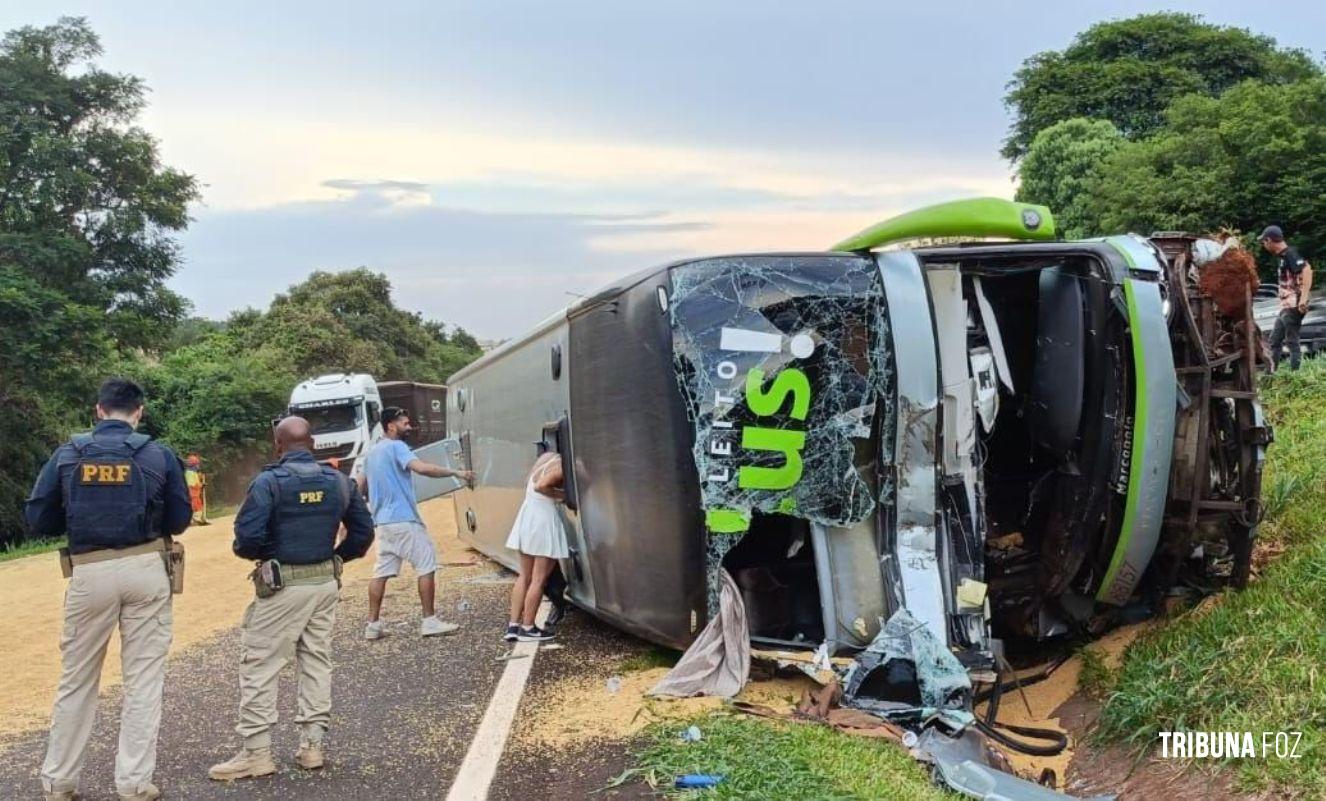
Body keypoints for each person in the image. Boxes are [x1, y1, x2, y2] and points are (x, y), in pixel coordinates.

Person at [25, 378, 192, 801]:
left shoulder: (68, 454)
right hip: (146, 568)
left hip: (88, 571)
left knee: (76, 679)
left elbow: (40, 519)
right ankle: (134, 783)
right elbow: (178, 519)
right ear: (139, 413)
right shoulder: (158, 453)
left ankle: (59, 782)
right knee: (143, 680)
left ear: (98, 411)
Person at [208, 416, 375, 781]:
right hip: (325, 584)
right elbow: (363, 532)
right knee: (316, 660)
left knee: (260, 666)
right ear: (312, 444)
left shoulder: (269, 483)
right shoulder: (338, 482)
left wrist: (269, 555)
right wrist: (337, 557)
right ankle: (312, 746)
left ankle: (257, 753)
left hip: (283, 586)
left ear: (278, 445)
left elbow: (247, 538)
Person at [358, 406, 474, 639]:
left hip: (383, 524)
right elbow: (422, 469)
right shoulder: (397, 447)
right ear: (391, 425)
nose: (408, 426)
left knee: (380, 573)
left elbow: (359, 486)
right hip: (405, 520)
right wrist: (458, 473)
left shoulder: (371, 454)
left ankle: (372, 624)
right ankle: (429, 621)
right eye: (404, 422)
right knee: (426, 566)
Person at [504, 443, 569, 643]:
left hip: (527, 515)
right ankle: (529, 627)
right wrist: (563, 495)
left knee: (524, 575)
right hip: (543, 519)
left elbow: (531, 482)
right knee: (539, 579)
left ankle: (513, 626)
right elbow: (542, 486)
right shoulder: (561, 466)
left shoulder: (546, 457)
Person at [1261, 225, 1314, 371]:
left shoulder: (1290, 254)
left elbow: (1307, 270)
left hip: (1293, 304)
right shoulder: (1283, 256)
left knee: (1291, 341)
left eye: (1264, 242)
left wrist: (1303, 299)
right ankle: (1270, 374)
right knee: (1274, 341)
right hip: (1286, 306)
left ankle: (1295, 374)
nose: (1264, 246)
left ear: (1269, 240)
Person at [184, 454, 208, 524]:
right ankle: (194, 519)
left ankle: (195, 519)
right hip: (192, 494)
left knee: (197, 506)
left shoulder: (193, 473)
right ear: (193, 465)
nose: (198, 466)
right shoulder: (190, 473)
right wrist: (201, 485)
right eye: (197, 464)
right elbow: (192, 484)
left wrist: (201, 483)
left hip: (194, 494)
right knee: (195, 506)